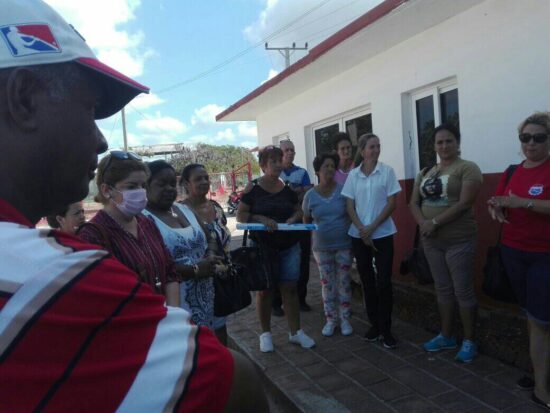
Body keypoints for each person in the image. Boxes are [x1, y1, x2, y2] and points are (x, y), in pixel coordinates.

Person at [0, 1, 267, 410]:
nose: (100, 139)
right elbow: (238, 385)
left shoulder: (141, 228)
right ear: (24, 99)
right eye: (89, 109)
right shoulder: (57, 277)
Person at [488, 112, 550, 407]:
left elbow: (520, 202)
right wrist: (496, 208)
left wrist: (521, 202)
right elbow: (499, 200)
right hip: (513, 253)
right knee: (532, 316)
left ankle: (541, 388)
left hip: (544, 256)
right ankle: (539, 371)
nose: (531, 143)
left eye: (538, 137)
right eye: (525, 138)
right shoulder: (513, 170)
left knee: (541, 320)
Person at [409, 124, 482, 363]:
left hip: (459, 240)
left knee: (462, 290)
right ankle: (447, 335)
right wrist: (423, 224)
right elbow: (413, 203)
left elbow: (465, 203)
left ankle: (470, 340)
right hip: (431, 241)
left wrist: (435, 222)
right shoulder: (426, 172)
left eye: (449, 141)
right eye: (439, 142)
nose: (444, 146)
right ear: (434, 146)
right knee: (442, 288)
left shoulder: (467, 168)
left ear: (457, 142)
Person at [237, 145, 315, 353]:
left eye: (279, 161)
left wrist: (295, 217)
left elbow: (298, 209)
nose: (278, 165)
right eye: (273, 161)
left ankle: (295, 333)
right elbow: (241, 216)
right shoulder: (252, 189)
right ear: (263, 165)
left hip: (289, 246)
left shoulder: (288, 188)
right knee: (265, 291)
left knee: (290, 289)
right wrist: (260, 218)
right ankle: (265, 335)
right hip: (262, 248)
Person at [78, 152, 180, 306]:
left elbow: (170, 272)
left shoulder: (146, 223)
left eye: (143, 186)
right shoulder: (93, 235)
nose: (140, 191)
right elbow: (99, 297)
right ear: (106, 190)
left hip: (163, 321)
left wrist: (172, 315)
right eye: (131, 186)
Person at [143, 160, 226, 340]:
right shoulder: (142, 219)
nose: (169, 189)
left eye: (172, 183)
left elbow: (210, 236)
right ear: (146, 186)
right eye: (161, 184)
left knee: (212, 345)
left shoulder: (184, 209)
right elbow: (151, 266)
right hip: (175, 304)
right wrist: (195, 270)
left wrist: (210, 255)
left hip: (207, 297)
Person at [342, 133, 401, 349]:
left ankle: (386, 328)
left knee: (384, 282)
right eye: (371, 146)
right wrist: (361, 228)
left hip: (383, 234)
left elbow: (392, 202)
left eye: (378, 146)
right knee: (367, 281)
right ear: (363, 150)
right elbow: (349, 205)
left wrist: (372, 227)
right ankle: (374, 325)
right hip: (359, 235)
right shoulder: (354, 175)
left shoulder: (387, 172)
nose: (376, 150)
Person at [303, 153, 353, 336]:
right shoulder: (309, 195)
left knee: (344, 283)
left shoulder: (344, 191)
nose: (330, 169)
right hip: (321, 248)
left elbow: (351, 214)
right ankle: (331, 320)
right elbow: (306, 219)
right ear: (317, 171)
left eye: (333, 166)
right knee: (327, 284)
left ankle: (345, 319)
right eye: (326, 166)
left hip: (344, 246)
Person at [279, 139, 314, 313]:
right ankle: (277, 303)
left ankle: (301, 299)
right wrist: (297, 190)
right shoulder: (275, 173)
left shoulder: (302, 172)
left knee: (303, 262)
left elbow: (307, 193)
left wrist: (291, 191)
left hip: (300, 223)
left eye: (292, 149)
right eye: (286, 150)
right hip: (279, 226)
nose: (290, 152)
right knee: (278, 262)